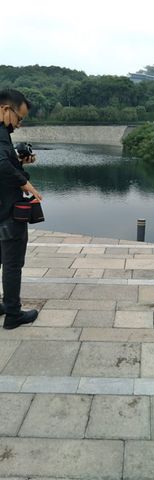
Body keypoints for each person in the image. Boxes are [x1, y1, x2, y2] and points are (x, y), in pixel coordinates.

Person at [0, 89, 42, 329]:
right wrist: (26, 183)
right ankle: (14, 314)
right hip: (8, 213)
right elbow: (2, 166)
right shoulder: (1, 134)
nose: (19, 124)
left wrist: (20, 163)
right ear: (6, 110)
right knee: (13, 264)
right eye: (19, 117)